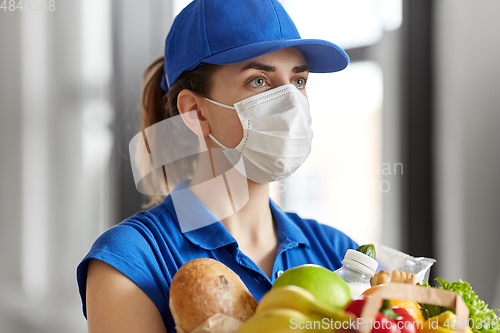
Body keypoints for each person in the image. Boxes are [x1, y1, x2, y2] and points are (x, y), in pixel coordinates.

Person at [77, 0, 359, 332]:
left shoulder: (339, 253)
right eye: (259, 81)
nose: (291, 103)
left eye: (298, 81)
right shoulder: (131, 259)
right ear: (195, 112)